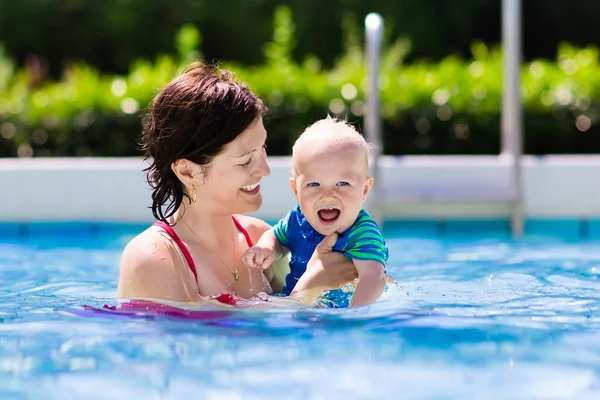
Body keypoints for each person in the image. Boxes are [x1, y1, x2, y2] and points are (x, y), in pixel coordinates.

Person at [116, 62, 358, 306]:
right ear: (188, 172)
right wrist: (309, 290)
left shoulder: (261, 239)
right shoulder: (154, 258)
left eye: (263, 148)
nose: (265, 170)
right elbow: (190, 337)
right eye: (245, 161)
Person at [241, 116, 390, 307]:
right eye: (314, 184)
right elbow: (276, 237)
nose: (327, 195)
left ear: (364, 190)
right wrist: (266, 248)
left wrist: (354, 314)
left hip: (338, 317)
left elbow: (373, 279)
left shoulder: (362, 233)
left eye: (342, 183)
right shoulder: (298, 219)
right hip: (299, 308)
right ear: (296, 190)